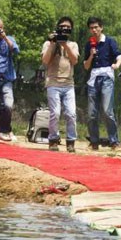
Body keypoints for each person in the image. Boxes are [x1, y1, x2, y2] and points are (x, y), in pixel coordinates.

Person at [83, 16, 121, 151]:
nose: (94, 30)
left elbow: (119, 55)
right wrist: (91, 55)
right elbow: (86, 66)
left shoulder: (110, 41)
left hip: (106, 76)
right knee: (92, 113)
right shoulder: (89, 44)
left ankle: (114, 141)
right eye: (91, 28)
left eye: (96, 27)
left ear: (101, 27)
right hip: (94, 77)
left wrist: (117, 64)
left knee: (107, 110)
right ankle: (94, 141)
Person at [41, 16, 79, 153]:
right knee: (55, 113)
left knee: (71, 113)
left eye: (67, 28)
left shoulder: (73, 44)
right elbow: (45, 61)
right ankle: (53, 140)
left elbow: (74, 61)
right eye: (62, 27)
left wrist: (65, 45)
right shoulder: (48, 43)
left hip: (68, 84)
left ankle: (71, 141)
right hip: (53, 82)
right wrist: (53, 43)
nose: (65, 30)